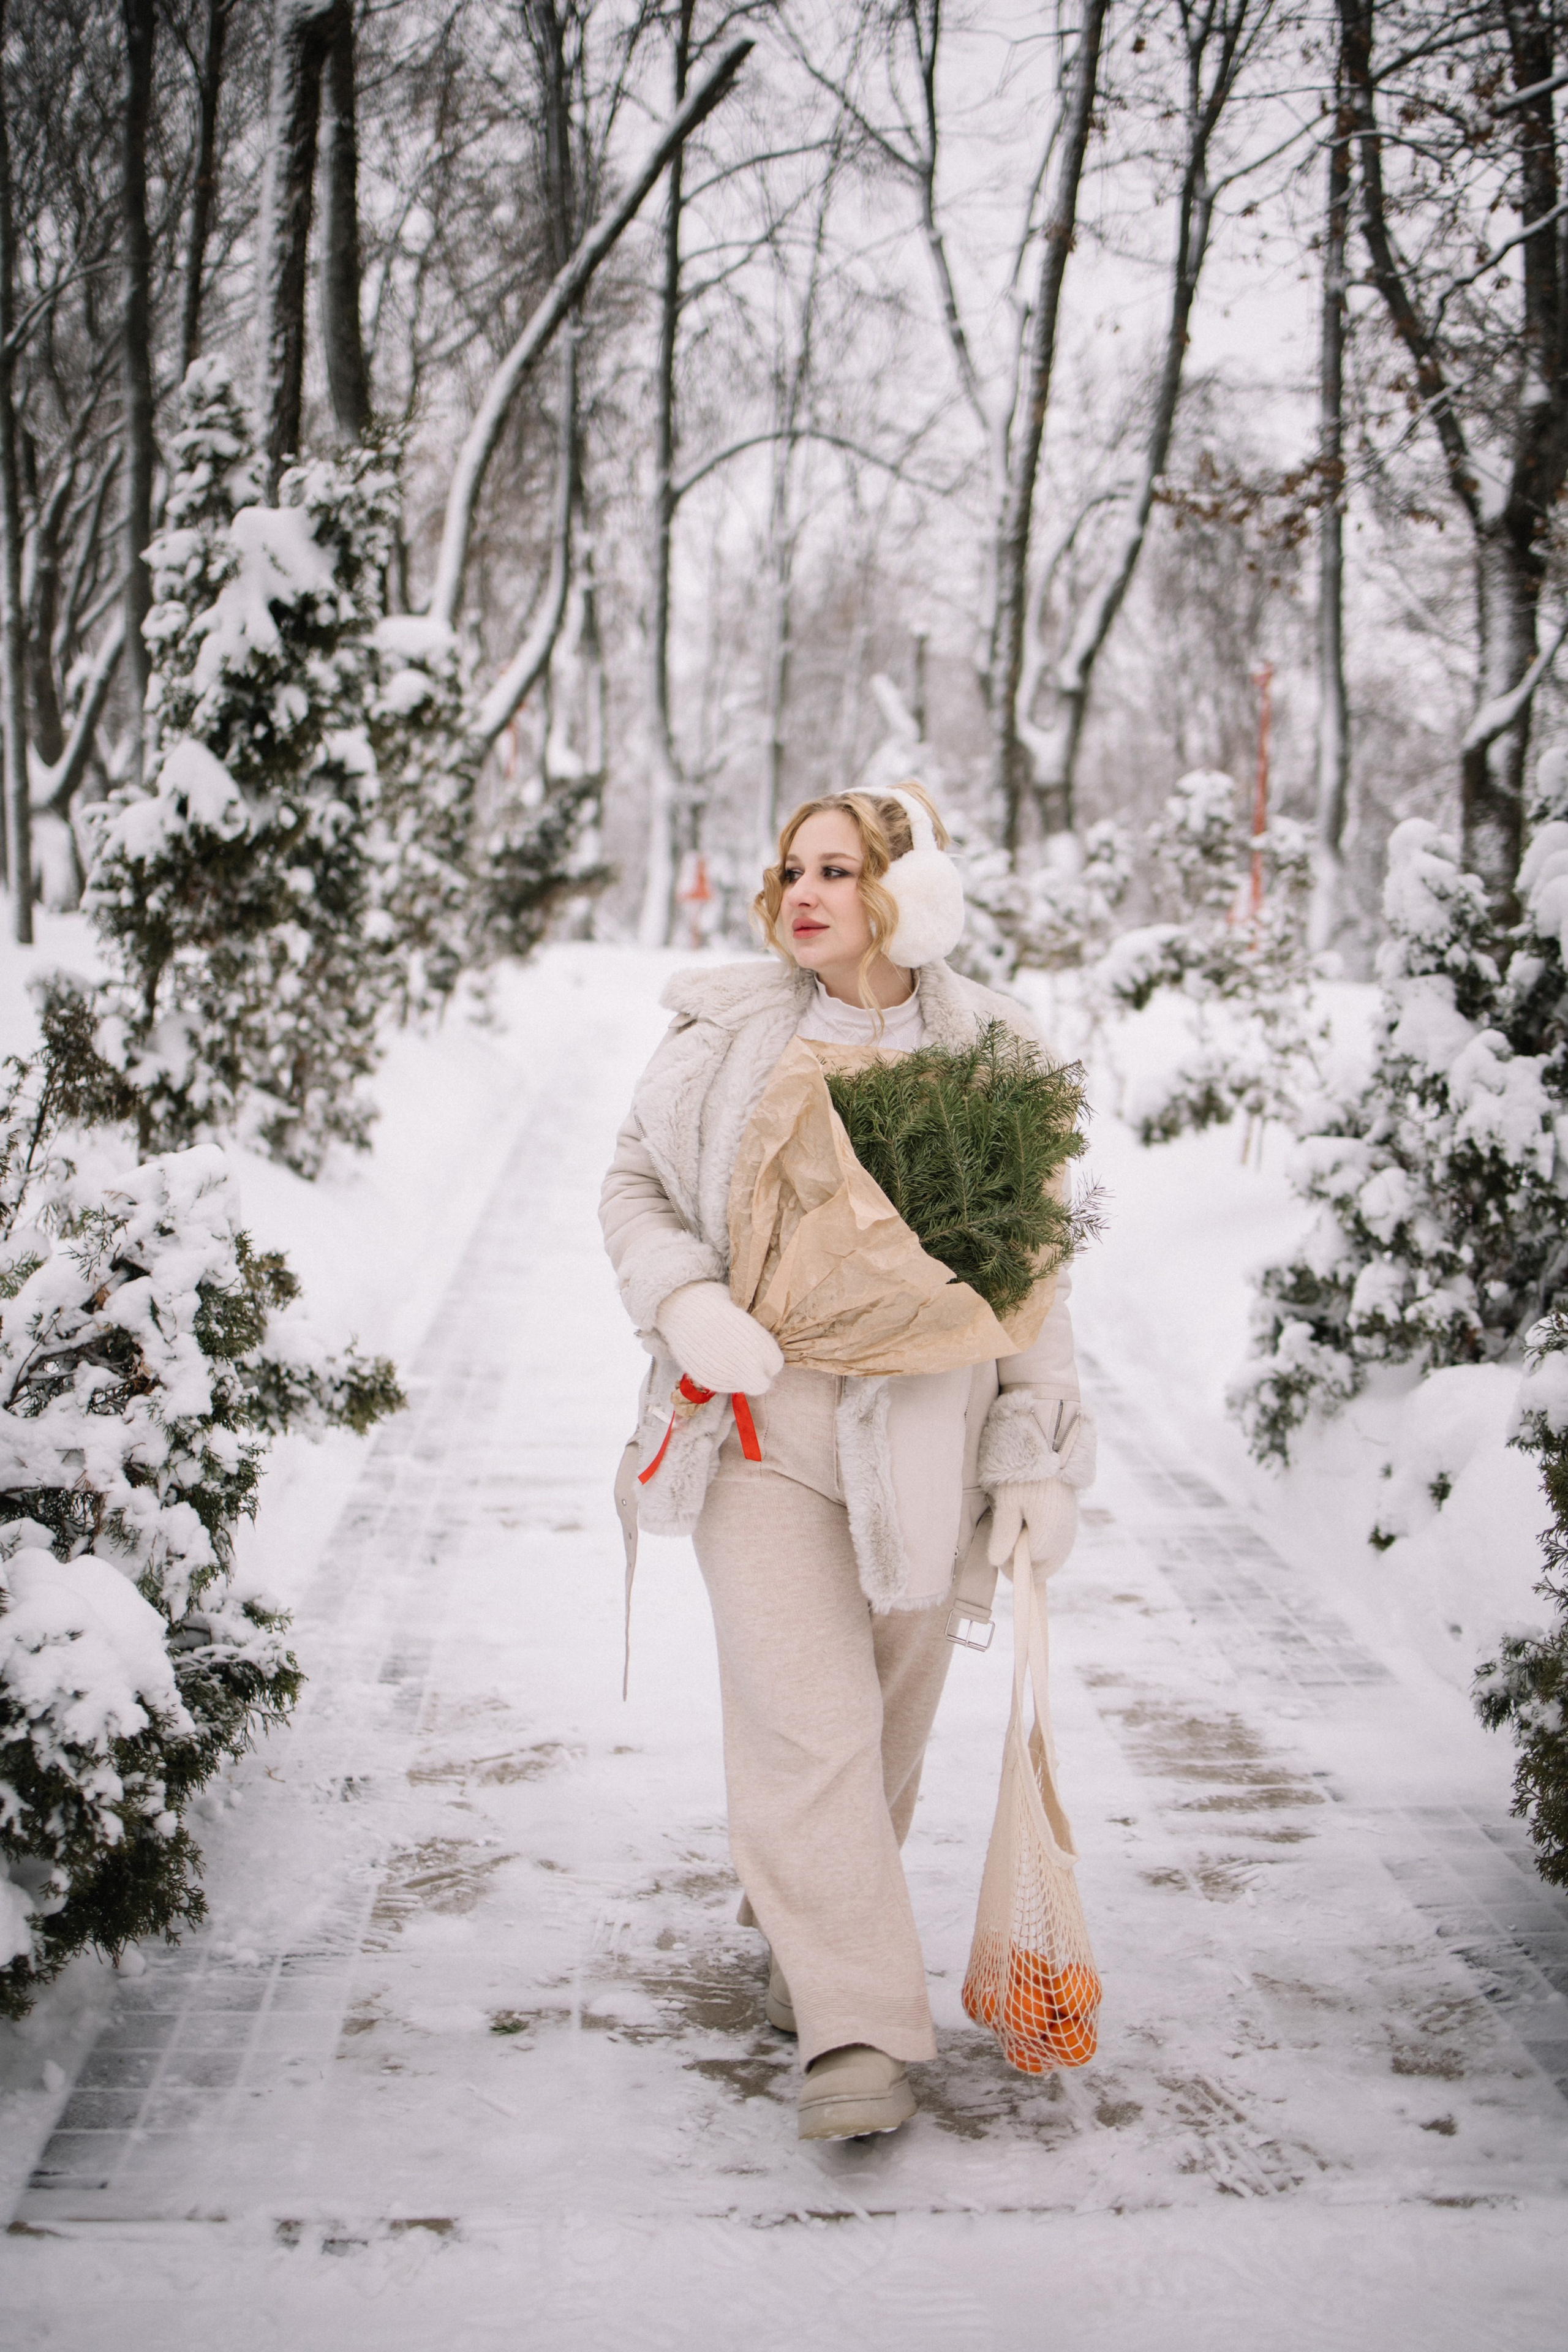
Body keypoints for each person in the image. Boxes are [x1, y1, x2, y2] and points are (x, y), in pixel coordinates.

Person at [599, 782, 1088, 2141]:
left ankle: (806, 1928)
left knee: (877, 1729)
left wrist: (1033, 1455)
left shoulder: (990, 1049)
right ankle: (859, 2034)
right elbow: (632, 1182)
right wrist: (686, 1303)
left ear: (905, 891)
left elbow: (1036, 1274)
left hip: (923, 1441)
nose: (802, 893)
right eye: (791, 868)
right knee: (804, 1719)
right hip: (753, 1431)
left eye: (840, 869)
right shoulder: (724, 1034)